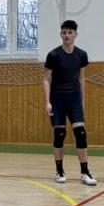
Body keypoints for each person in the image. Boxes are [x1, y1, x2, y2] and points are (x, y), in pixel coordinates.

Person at [43, 20, 95, 185]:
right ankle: (59, 170)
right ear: (61, 34)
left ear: (75, 34)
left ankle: (85, 172)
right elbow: (46, 79)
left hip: (74, 99)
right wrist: (47, 102)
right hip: (57, 99)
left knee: (81, 134)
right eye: (64, 32)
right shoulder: (53, 55)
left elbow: (81, 78)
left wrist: (82, 100)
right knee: (60, 135)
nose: (67, 35)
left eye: (70, 32)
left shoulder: (81, 55)